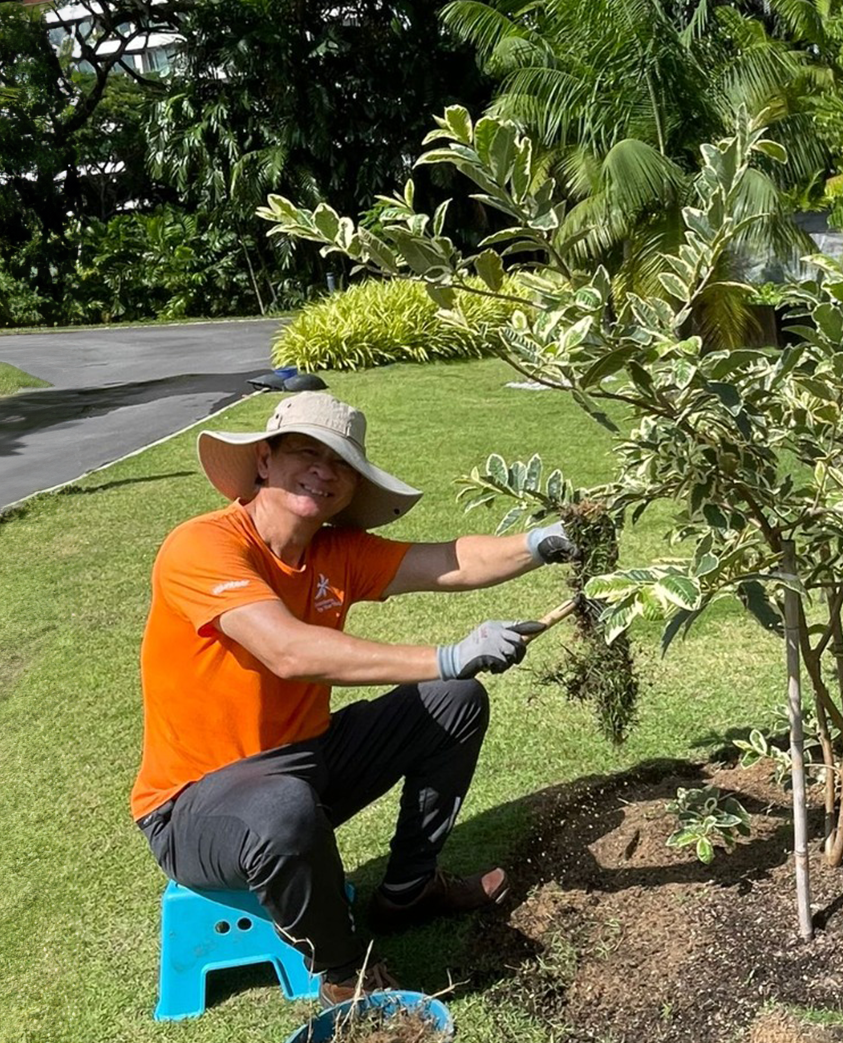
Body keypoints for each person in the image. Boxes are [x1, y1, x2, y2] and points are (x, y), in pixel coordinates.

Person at [130, 392, 573, 1003]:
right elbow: (289, 651)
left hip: (304, 765)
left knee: (454, 699)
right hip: (196, 807)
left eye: (341, 463)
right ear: (264, 461)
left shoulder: (334, 552)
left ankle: (409, 890)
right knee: (282, 807)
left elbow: (449, 560)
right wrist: (443, 653)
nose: (324, 471)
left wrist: (542, 542)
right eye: (306, 453)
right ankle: (343, 972)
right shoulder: (202, 547)